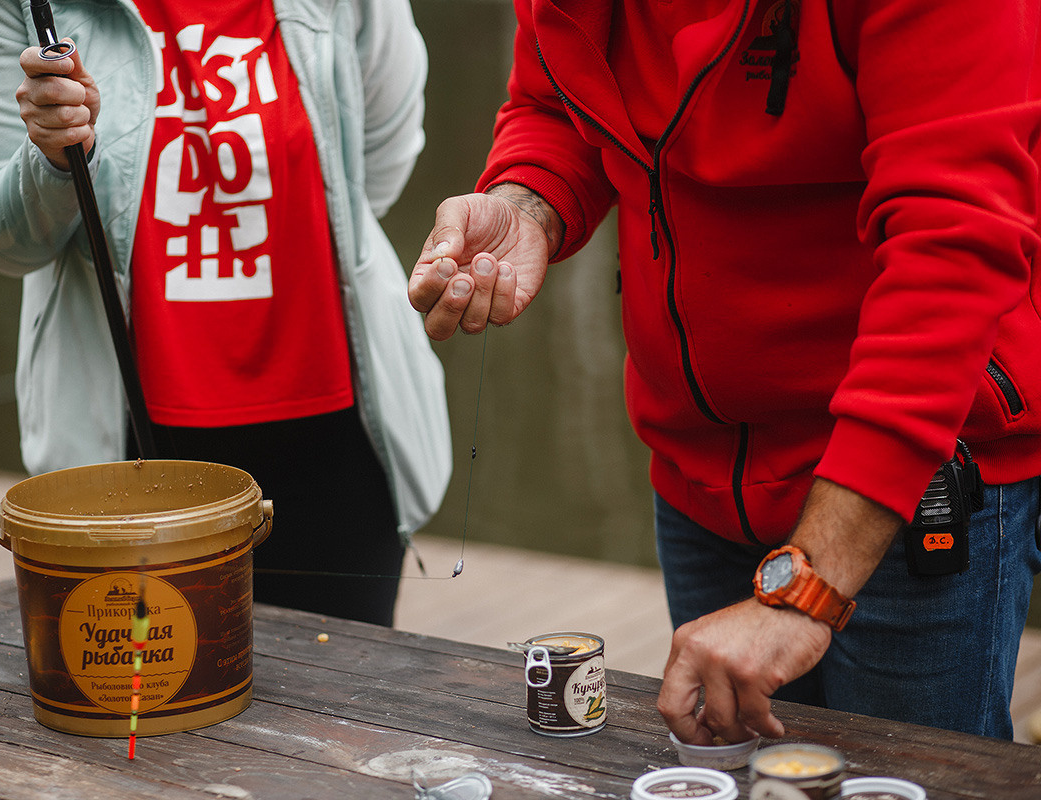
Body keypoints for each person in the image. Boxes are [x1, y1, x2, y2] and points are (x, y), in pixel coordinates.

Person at [409, 0, 1041, 741]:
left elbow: (952, 247)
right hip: (697, 478)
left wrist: (804, 590)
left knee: (906, 784)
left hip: (915, 486)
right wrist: (530, 200)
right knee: (727, 779)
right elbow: (557, 98)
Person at [0, 0, 451, 627]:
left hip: (340, 442)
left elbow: (377, 159)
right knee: (145, 707)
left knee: (345, 712)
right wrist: (49, 160)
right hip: (126, 453)